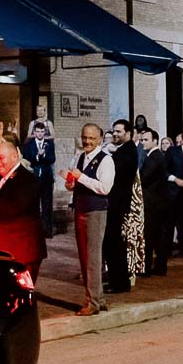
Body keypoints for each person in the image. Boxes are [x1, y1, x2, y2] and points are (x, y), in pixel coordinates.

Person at [64, 123, 114, 316]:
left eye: (92, 138)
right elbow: (75, 182)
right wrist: (71, 183)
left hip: (95, 211)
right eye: (85, 137)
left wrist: (82, 178)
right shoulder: (79, 157)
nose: (87, 141)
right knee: (85, 256)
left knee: (93, 257)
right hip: (80, 208)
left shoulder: (106, 160)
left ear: (100, 139)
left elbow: (105, 188)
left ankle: (92, 302)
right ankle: (98, 298)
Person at [0, 139, 45, 280]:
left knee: (19, 295)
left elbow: (12, 209)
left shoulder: (27, 179)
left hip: (21, 251)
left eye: (1, 158)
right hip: (3, 249)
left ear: (15, 156)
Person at [101, 119, 140, 294]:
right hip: (115, 202)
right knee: (111, 242)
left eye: (119, 131)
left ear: (128, 134)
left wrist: (107, 155)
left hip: (116, 203)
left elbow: (114, 169)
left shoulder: (128, 151)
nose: (115, 134)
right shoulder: (123, 150)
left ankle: (120, 282)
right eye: (114, 131)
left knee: (113, 242)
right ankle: (117, 280)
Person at [138, 128, 173, 275]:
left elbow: (144, 177)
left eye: (146, 140)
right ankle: (159, 266)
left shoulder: (155, 156)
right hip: (157, 202)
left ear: (155, 141)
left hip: (153, 203)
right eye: (142, 140)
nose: (142, 142)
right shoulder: (153, 156)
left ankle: (147, 268)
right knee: (157, 236)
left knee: (150, 235)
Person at [21, 121, 58, 237]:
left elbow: (52, 159)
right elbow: (27, 159)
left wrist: (44, 155)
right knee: (34, 204)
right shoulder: (29, 145)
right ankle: (34, 230)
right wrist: (38, 156)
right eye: (37, 131)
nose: (40, 134)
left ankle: (47, 230)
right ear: (34, 132)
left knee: (47, 204)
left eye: (42, 132)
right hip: (34, 178)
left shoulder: (49, 144)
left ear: (45, 132)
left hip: (46, 178)